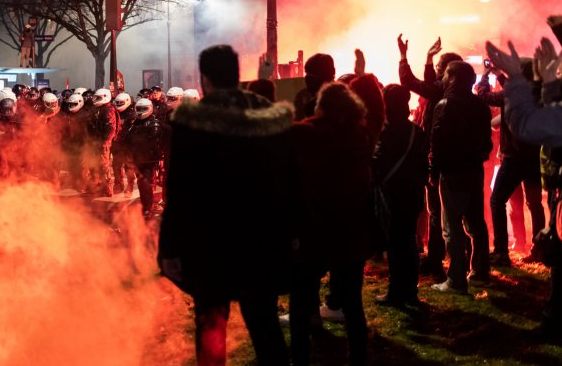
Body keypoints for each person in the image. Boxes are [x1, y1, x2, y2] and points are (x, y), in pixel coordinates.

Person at [158, 44, 294, 366]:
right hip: (259, 239)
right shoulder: (265, 115)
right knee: (264, 322)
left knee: (211, 323)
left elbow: (180, 190)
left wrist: (169, 248)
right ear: (236, 75)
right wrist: (292, 231)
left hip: (209, 243)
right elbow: (287, 181)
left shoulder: (192, 122)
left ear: (204, 78)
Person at [289, 82, 373, 366]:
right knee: (352, 303)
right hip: (350, 229)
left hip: (314, 229)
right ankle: (358, 358)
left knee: (301, 302)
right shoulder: (359, 136)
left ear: (320, 105)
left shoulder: (304, 133)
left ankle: (301, 358)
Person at [486, 36, 562, 338]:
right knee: (532, 206)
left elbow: (527, 124)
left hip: (516, 159)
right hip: (531, 164)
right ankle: (538, 247)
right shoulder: (542, 97)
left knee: (501, 201)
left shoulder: (528, 98)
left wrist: (514, 78)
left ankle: (555, 320)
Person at [398, 34, 463, 282]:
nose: (436, 74)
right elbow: (428, 84)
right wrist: (427, 59)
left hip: (438, 159)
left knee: (437, 211)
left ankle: (437, 260)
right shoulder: (459, 94)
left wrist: (404, 56)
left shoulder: (441, 93)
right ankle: (471, 262)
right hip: (460, 161)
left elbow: (410, 82)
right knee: (461, 214)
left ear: (448, 73)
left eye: (438, 70)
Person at [430, 61, 492, 294]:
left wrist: (433, 173)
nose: (443, 79)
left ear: (454, 77)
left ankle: (456, 279)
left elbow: (437, 144)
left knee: (452, 227)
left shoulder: (445, 105)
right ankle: (480, 272)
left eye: (446, 74)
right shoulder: (480, 106)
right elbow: (486, 143)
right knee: (477, 222)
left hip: (453, 172)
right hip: (474, 171)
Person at [475, 59, 544, 264]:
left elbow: (484, 96)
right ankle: (539, 249)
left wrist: (486, 75)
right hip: (532, 155)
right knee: (535, 204)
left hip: (513, 156)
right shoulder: (540, 92)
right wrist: (499, 74)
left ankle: (501, 251)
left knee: (496, 200)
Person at [373, 84, 428, 305]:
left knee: (396, 246)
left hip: (392, 195)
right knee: (409, 242)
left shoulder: (384, 132)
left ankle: (396, 292)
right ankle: (411, 291)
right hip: (413, 194)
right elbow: (424, 166)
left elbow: (379, 165)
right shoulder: (417, 131)